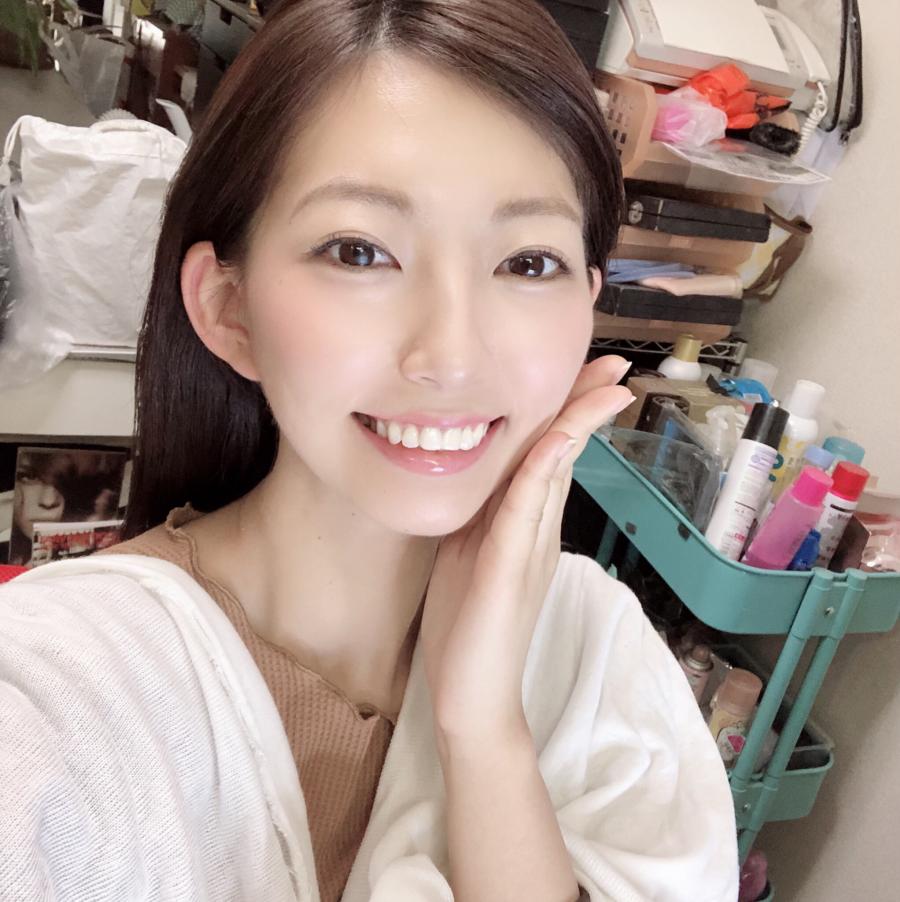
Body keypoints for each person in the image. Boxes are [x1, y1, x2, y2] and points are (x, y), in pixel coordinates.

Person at [0, 1, 739, 900]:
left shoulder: (601, 654)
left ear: (589, 302)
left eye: (527, 263)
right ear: (230, 308)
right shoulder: (58, 692)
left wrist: (483, 729)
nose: (451, 357)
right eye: (359, 251)